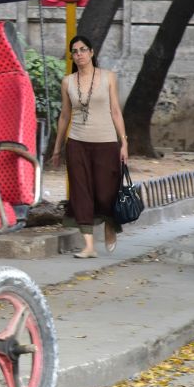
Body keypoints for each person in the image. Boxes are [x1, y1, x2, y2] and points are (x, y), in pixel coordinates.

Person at [50, 35, 129, 259]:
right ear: (72, 56)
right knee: (81, 192)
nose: (79, 54)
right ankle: (89, 245)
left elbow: (115, 111)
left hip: (105, 142)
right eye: (75, 51)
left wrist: (124, 142)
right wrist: (57, 147)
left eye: (83, 50)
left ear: (92, 52)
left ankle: (110, 224)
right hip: (77, 143)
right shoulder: (68, 81)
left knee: (106, 192)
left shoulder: (108, 78)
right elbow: (65, 116)